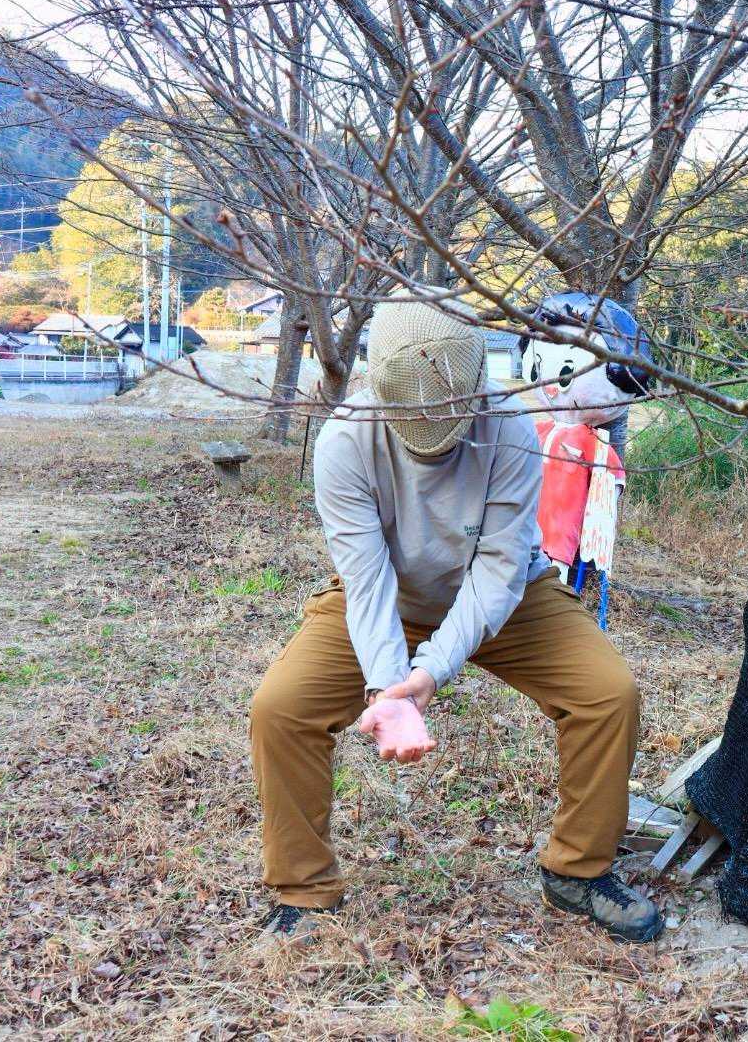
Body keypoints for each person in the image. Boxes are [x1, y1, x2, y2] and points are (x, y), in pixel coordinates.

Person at [249, 296, 664, 945]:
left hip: (510, 594)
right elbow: (366, 578)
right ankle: (304, 889)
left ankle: (578, 871)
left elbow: (499, 568)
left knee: (608, 695)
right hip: (392, 595)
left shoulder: (510, 428)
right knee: (281, 709)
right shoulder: (344, 441)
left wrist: (431, 672)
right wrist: (389, 687)